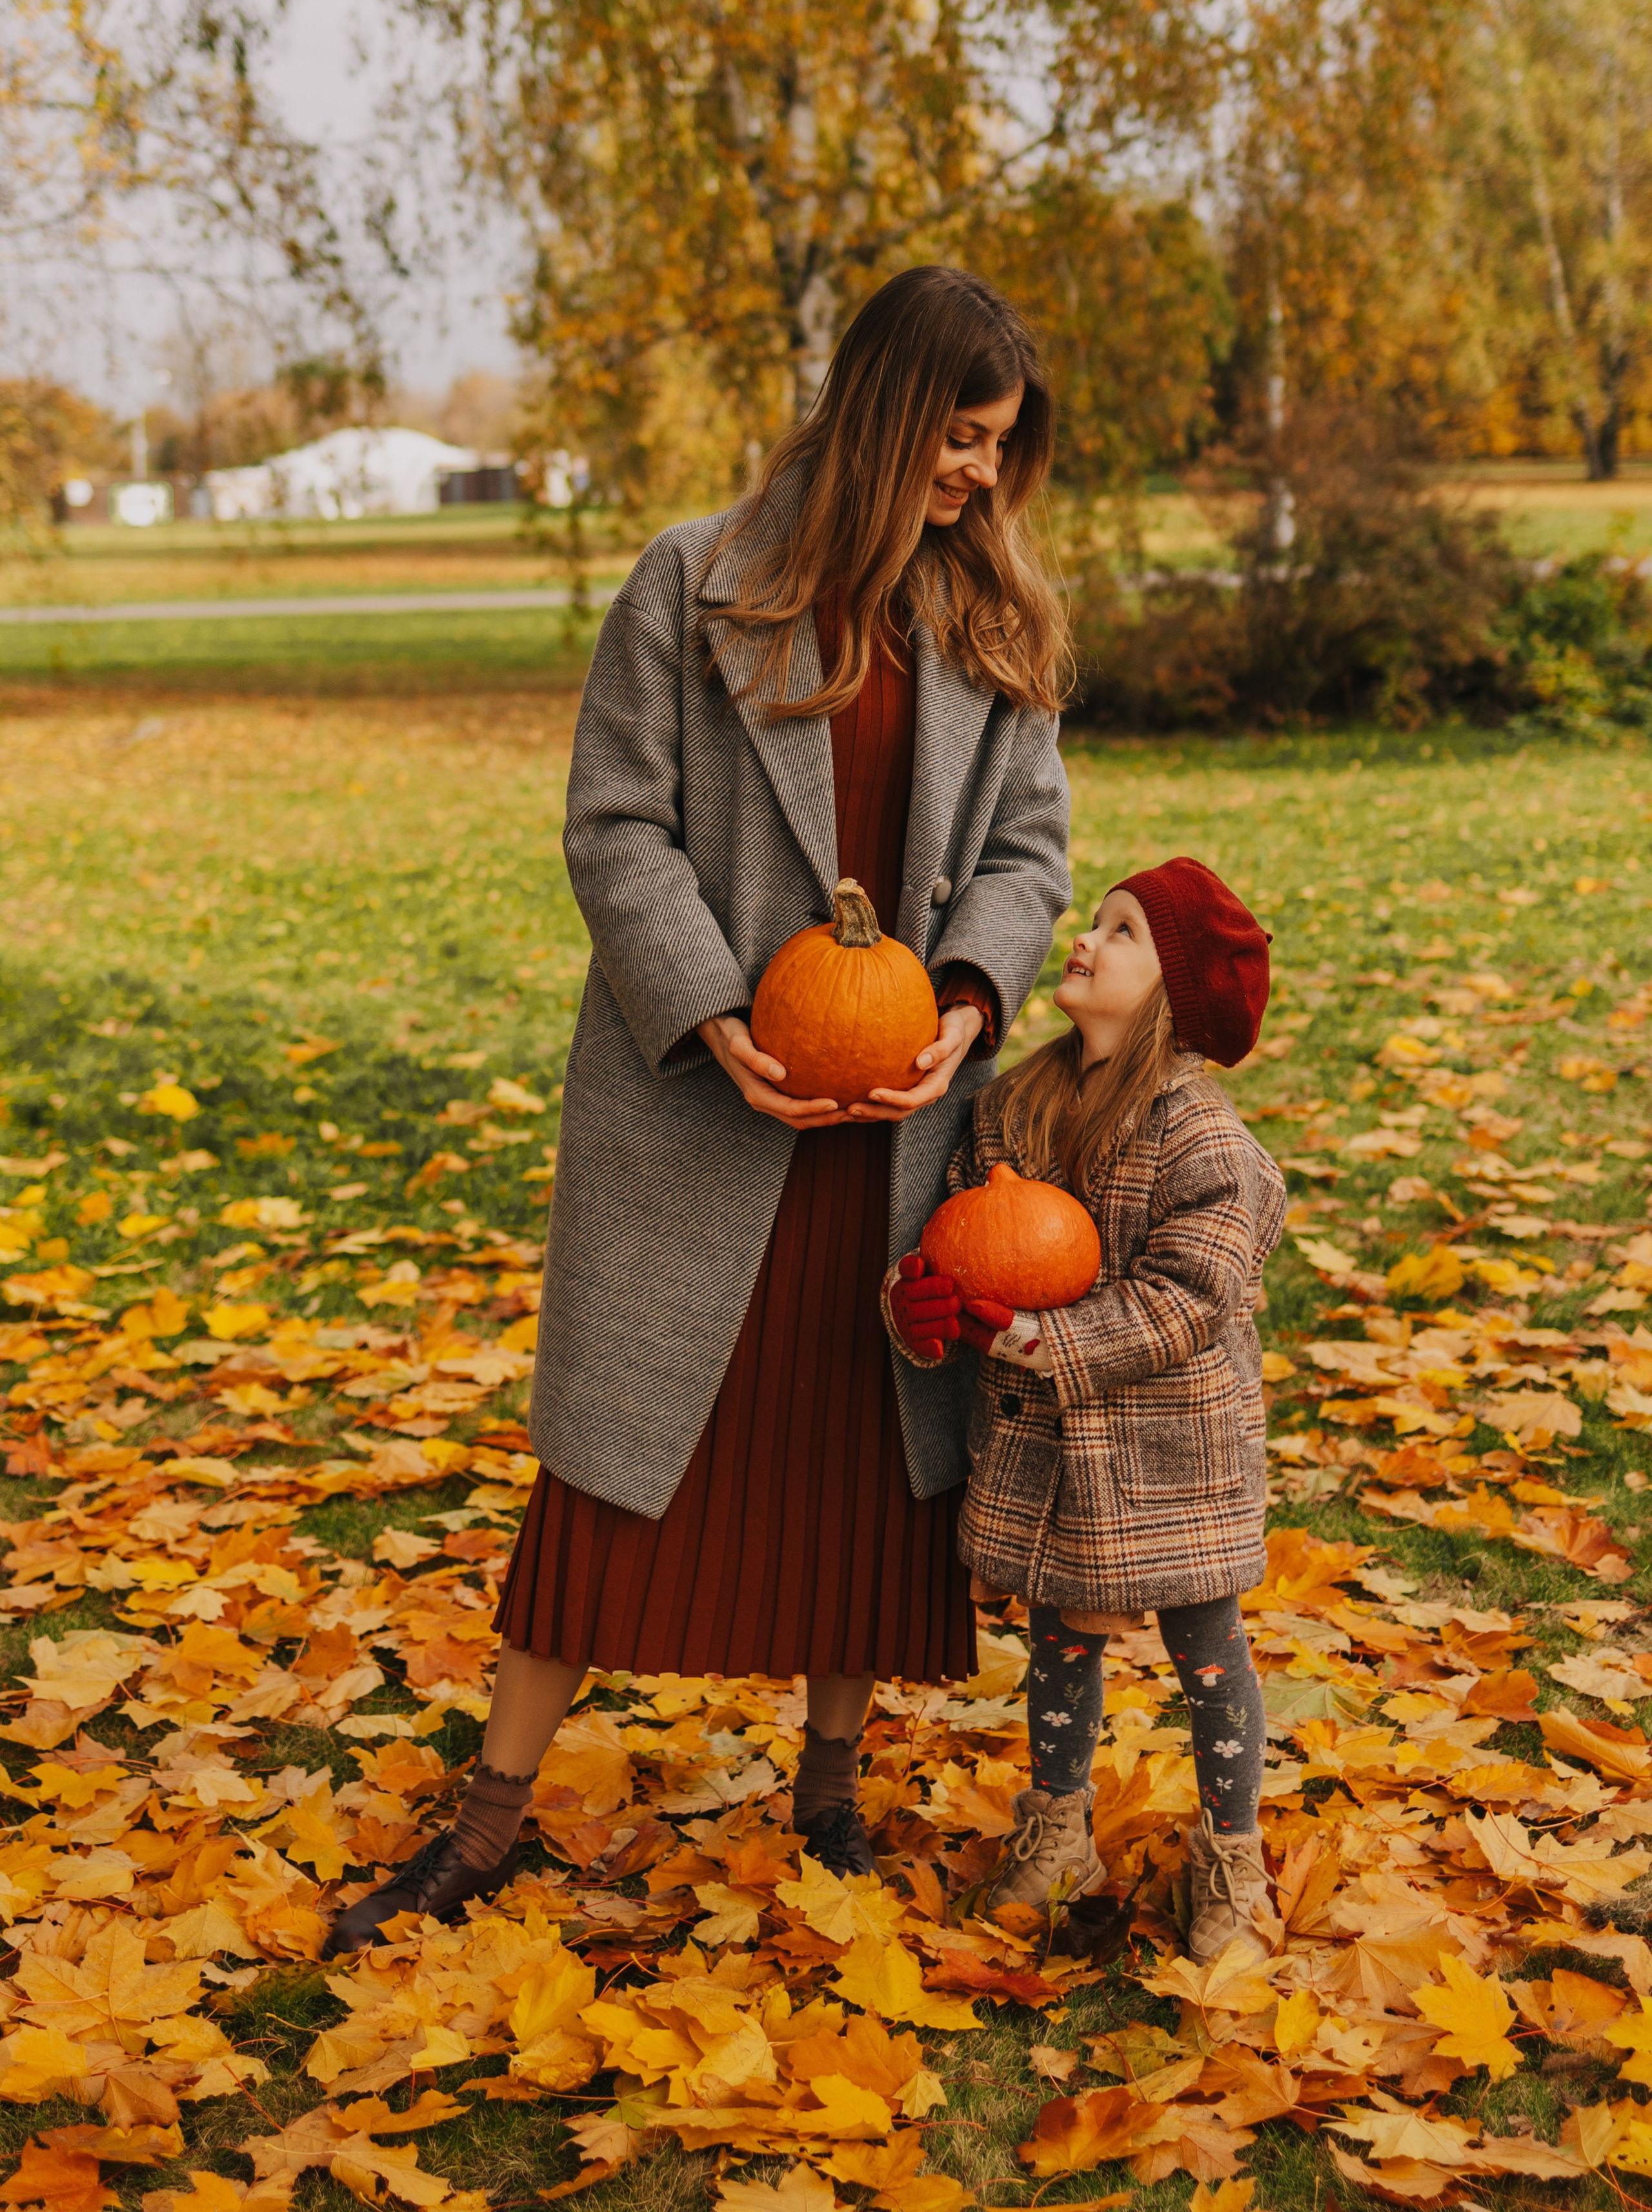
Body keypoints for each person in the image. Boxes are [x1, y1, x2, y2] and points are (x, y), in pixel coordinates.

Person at [323, 267, 1073, 1955]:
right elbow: (614, 825)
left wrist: (966, 1001)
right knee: (605, 1478)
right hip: (703, 1110)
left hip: (892, 1129)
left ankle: (827, 1794)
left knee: (868, 1472)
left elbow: (1030, 854)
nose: (976, 474)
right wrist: (714, 1014)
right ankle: (490, 1824)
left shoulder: (991, 615)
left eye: (999, 447)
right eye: (956, 438)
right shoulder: (697, 582)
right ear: (885, 415)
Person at [887, 858, 1287, 1963]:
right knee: (1057, 1639)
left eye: (1122, 933)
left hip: (1173, 1451)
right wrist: (920, 1308)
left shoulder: (1201, 1138)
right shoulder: (1014, 1106)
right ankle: (1059, 1831)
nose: (1085, 938)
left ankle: (1234, 1857)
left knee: (1208, 1652)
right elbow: (956, 1249)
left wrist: (1024, 1336)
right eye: (1094, 918)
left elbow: (1188, 1300)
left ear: (1176, 994)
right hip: (1050, 1453)